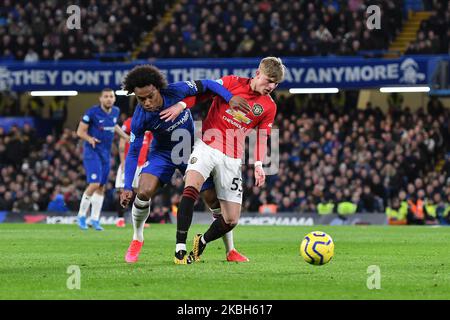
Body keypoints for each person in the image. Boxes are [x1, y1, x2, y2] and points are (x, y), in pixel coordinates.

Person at [119, 65, 250, 264]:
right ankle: (137, 238)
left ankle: (230, 250)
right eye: (140, 98)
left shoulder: (177, 90)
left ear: (158, 88)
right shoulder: (139, 118)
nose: (146, 102)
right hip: (162, 154)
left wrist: (229, 97)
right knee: (143, 191)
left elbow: (208, 84)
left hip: (189, 150)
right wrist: (127, 186)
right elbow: (133, 151)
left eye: (150, 96)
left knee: (214, 200)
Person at [163, 57, 285, 263]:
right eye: (269, 80)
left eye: (276, 83)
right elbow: (202, 94)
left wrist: (258, 164)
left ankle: (201, 242)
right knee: (190, 188)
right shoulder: (231, 82)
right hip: (207, 146)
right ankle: (180, 249)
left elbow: (263, 136)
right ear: (258, 73)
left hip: (232, 158)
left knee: (231, 219)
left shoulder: (269, 106)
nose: (271, 86)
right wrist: (182, 105)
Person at [76, 88, 129, 231]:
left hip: (106, 153)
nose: (109, 99)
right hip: (92, 152)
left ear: (114, 99)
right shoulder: (92, 112)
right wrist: (89, 138)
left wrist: (124, 136)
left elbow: (113, 125)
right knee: (94, 183)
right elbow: (80, 131)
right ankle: (81, 216)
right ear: (100, 99)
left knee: (101, 187)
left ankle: (94, 219)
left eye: (111, 96)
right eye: (106, 96)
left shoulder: (115, 112)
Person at [115, 115, 153, 228]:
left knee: (140, 192)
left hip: (142, 164)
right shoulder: (130, 122)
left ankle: (138, 220)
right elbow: (122, 140)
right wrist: (123, 161)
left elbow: (149, 146)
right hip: (129, 163)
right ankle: (120, 219)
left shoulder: (151, 125)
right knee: (123, 190)